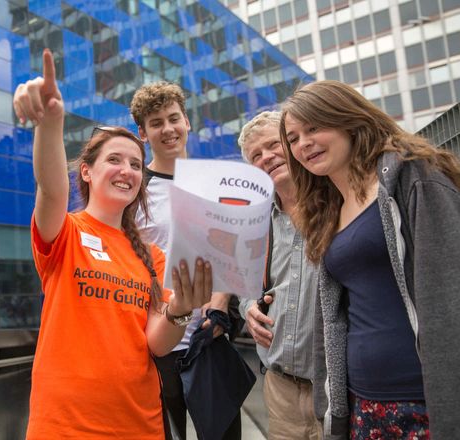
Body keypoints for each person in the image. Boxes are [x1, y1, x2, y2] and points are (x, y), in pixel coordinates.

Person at [13, 49, 213, 439]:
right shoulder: (65, 232)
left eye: (136, 164)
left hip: (140, 424)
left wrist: (180, 310)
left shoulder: (151, 255)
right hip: (66, 425)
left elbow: (157, 345)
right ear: (86, 171)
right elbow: (51, 189)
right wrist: (51, 121)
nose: (127, 171)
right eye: (115, 161)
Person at [280, 80, 460, 439]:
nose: (303, 144)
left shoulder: (415, 175)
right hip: (363, 403)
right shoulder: (327, 211)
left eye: (314, 127)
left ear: (348, 119)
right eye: (293, 138)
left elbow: (451, 293)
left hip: (425, 401)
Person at [130, 81, 241, 440]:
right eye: (156, 122)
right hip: (156, 344)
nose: (168, 129)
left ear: (187, 122)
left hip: (209, 339)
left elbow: (229, 253)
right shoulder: (134, 188)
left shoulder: (215, 182)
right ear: (143, 133)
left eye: (173, 118)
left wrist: (221, 305)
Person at [237, 111, 322, 440]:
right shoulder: (254, 223)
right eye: (256, 156)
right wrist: (248, 308)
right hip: (280, 388)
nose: (266, 157)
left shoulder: (335, 201)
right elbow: (244, 285)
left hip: (337, 386)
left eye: (274, 145)